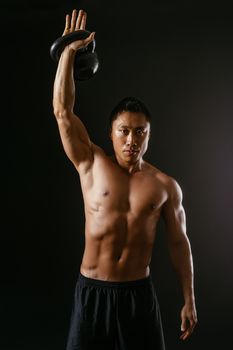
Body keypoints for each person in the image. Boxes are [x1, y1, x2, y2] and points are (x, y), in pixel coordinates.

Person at [52, 8, 197, 350]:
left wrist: (189, 298)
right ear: (111, 133)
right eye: (124, 131)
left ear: (149, 135)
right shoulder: (91, 163)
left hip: (137, 296)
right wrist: (68, 55)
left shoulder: (165, 186)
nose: (131, 140)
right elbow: (62, 111)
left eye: (139, 132)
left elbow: (179, 243)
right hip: (92, 292)